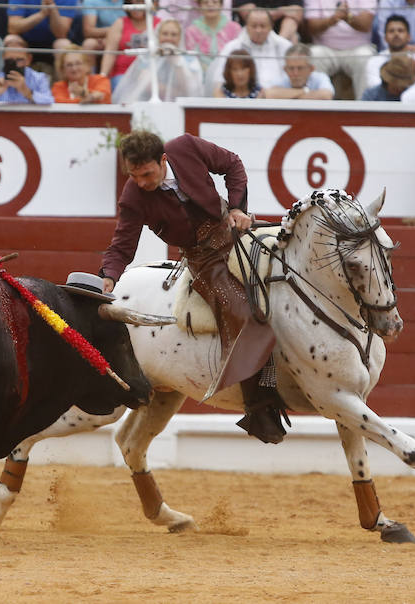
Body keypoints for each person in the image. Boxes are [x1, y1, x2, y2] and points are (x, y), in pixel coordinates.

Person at [99, 131, 286, 444]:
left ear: (163, 160)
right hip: (205, 261)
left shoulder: (185, 147)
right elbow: (122, 245)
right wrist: (108, 277)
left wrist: (238, 207)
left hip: (234, 229)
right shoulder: (134, 195)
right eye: (133, 175)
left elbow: (233, 165)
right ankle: (259, 406)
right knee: (245, 315)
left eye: (146, 174)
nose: (141, 182)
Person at [112, 19, 204, 103]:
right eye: (165, 34)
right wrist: (174, 91)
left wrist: (177, 62)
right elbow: (146, 85)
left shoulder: (190, 59)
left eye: (174, 35)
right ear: (158, 35)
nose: (169, 38)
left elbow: (189, 88)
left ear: (180, 37)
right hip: (148, 102)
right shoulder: (147, 57)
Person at [205, 9, 292, 94]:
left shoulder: (284, 46)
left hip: (279, 100)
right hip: (241, 102)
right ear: (246, 26)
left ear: (271, 26)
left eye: (263, 26)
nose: (258, 30)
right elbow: (219, 82)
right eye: (254, 26)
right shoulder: (232, 47)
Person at [304, 0, 376, 99]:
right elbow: (312, 27)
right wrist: (333, 19)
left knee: (365, 58)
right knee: (314, 55)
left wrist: (347, 17)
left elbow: (365, 24)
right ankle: (315, 110)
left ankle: (366, 110)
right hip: (325, 48)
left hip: (358, 48)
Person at [100, 0, 160, 89]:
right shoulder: (119, 23)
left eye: (140, 3)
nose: (136, 7)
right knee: (122, 85)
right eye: (132, 4)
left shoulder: (159, 23)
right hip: (122, 73)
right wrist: (102, 76)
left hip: (150, 73)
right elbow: (110, 52)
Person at [0, 34, 54, 103]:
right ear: (3, 58)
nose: (15, 64)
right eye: (10, 60)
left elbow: (50, 102)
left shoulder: (39, 78)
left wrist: (28, 93)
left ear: (28, 59)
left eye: (19, 60)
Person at [364, 15, 415, 91]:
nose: (396, 34)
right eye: (391, 31)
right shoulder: (374, 61)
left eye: (400, 31)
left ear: (409, 37)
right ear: (385, 37)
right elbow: (375, 89)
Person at [263, 42, 334, 98]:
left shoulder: (320, 77)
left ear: (311, 69)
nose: (295, 73)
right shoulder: (281, 78)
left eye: (300, 68)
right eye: (291, 68)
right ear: (285, 69)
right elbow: (269, 94)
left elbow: (326, 95)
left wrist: (287, 95)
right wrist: (305, 91)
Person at [185, 0, 241, 70]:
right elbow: (192, 60)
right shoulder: (191, 31)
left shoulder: (235, 28)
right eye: (205, 2)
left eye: (215, 2)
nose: (210, 5)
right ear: (199, 6)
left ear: (221, 6)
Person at [7, 0, 75, 52]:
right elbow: (13, 28)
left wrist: (52, 8)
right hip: (25, 40)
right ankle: (14, 71)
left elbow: (62, 33)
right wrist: (42, 14)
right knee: (11, 39)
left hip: (54, 42)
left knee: (63, 44)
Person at [231, 0, 302, 43]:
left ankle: (280, 43)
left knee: (291, 20)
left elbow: (298, 12)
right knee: (256, 23)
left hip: (283, 34)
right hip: (251, 34)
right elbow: (249, 14)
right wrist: (282, 11)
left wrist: (280, 41)